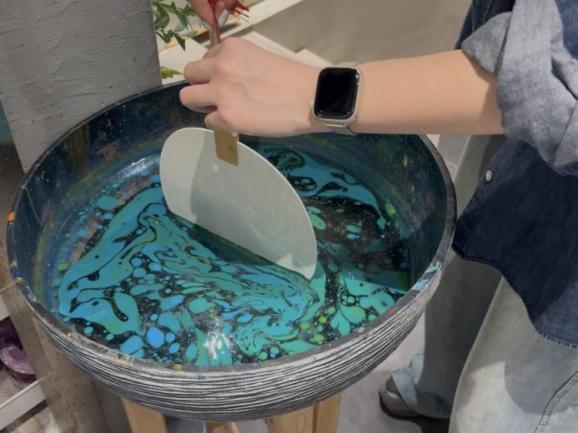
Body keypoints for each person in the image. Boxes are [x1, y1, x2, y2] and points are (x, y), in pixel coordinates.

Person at [183, 0, 578, 431]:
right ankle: (438, 389)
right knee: (463, 290)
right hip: (510, 90)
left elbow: (557, 84)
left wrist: (319, 95)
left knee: (492, 411)